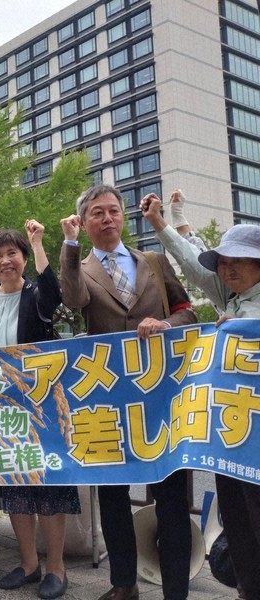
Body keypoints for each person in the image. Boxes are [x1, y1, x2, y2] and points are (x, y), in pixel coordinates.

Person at [60, 184, 197, 600]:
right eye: (97, 213)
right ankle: (124, 584)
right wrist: (68, 246)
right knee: (114, 497)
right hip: (106, 400)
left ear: (124, 216)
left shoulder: (153, 262)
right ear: (84, 222)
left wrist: (166, 327)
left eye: (114, 211)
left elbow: (185, 310)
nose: (107, 219)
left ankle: (176, 590)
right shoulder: (79, 268)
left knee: (172, 496)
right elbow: (72, 298)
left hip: (160, 396)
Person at [141, 192, 260, 599]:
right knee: (238, 520)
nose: (227, 270)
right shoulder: (231, 297)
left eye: (237, 262)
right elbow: (193, 265)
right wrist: (160, 225)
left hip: (255, 437)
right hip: (229, 433)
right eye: (223, 263)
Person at [0, 221, 79, 599]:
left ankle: (56, 568)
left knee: (46, 487)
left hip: (42, 408)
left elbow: (55, 291)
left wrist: (38, 242)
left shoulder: (36, 296)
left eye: (12, 253)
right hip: (2, 410)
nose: (5, 261)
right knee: (15, 488)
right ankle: (29, 563)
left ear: (23, 258)